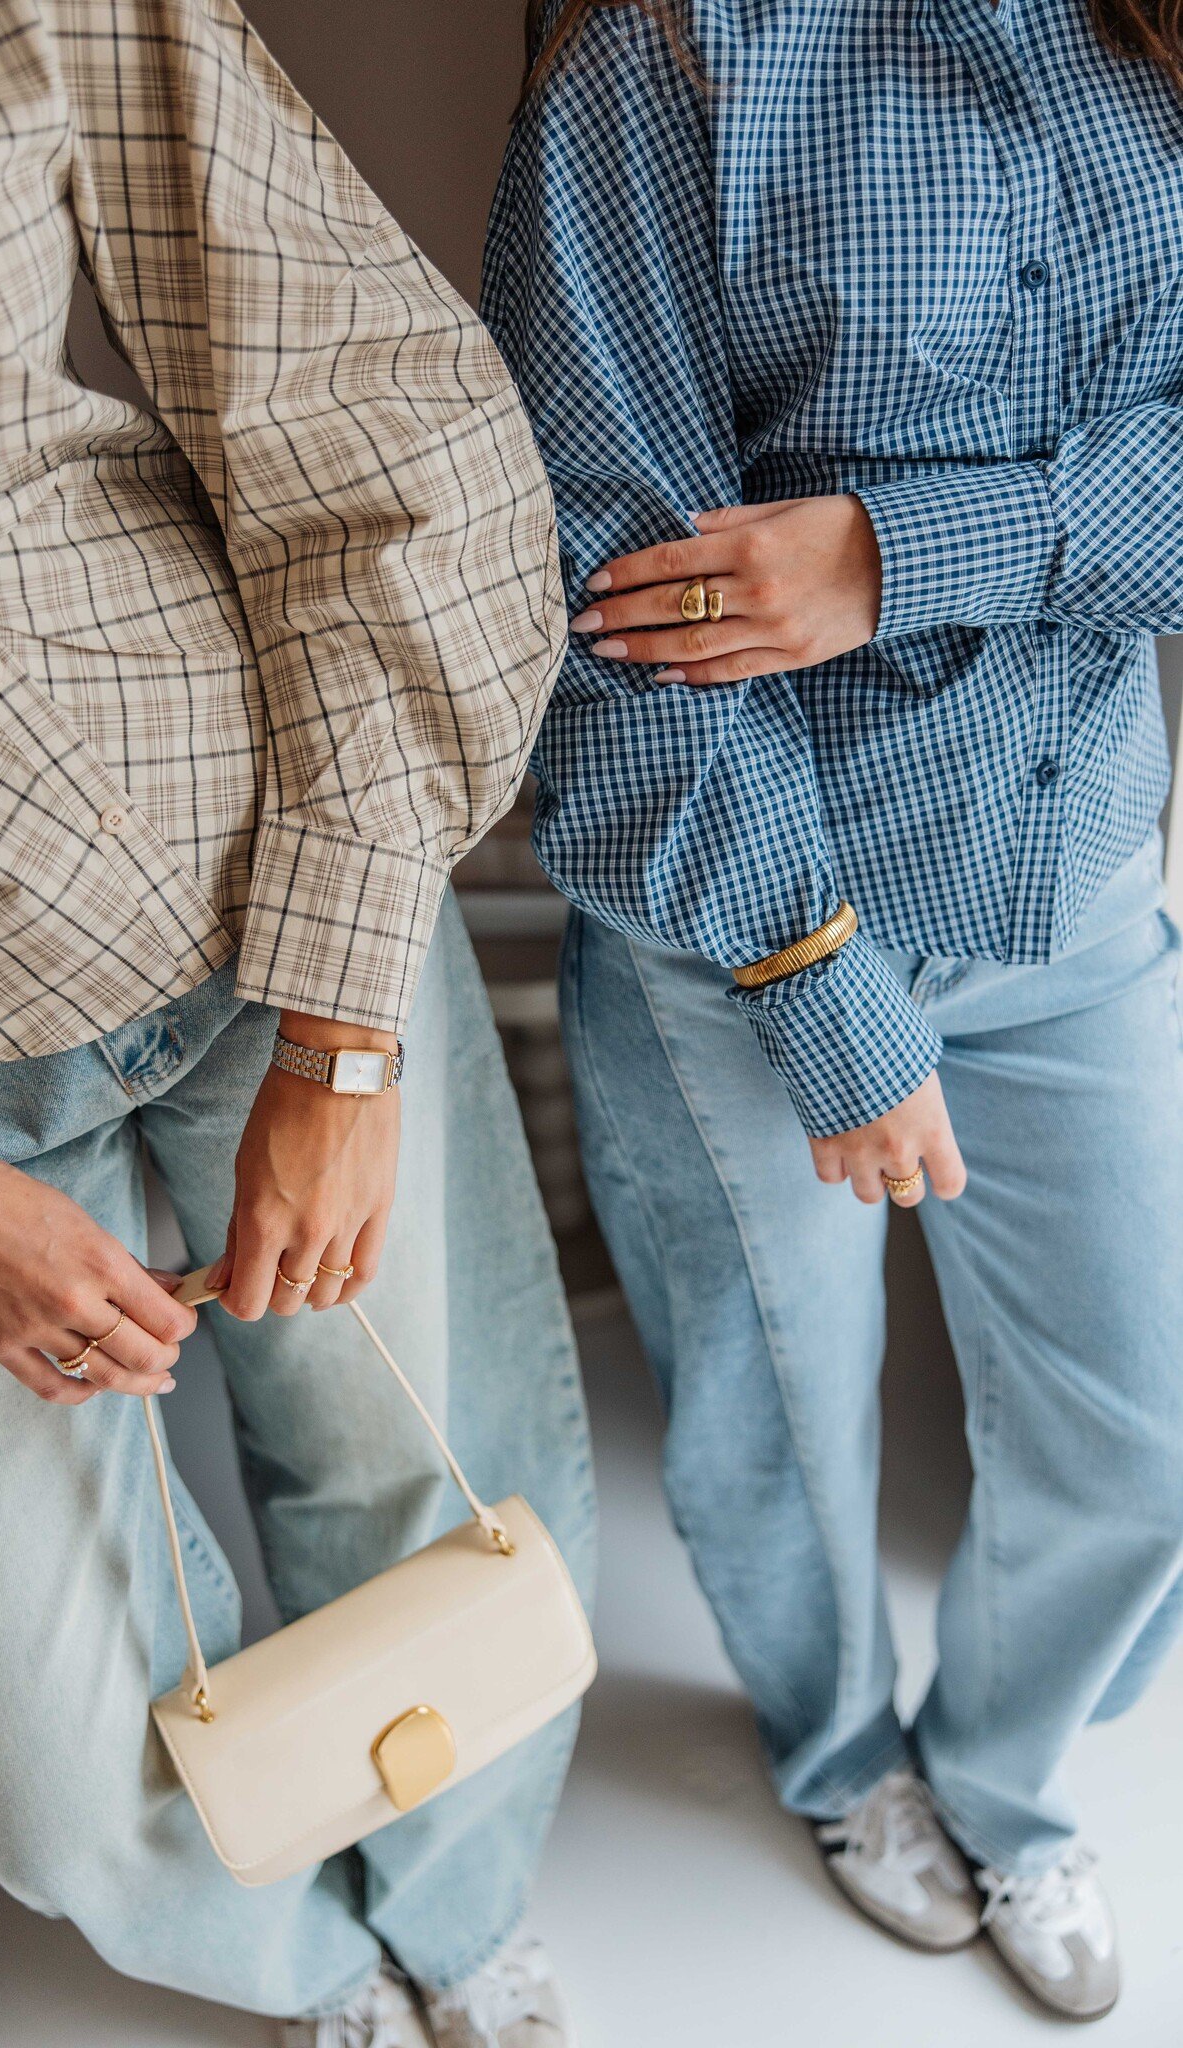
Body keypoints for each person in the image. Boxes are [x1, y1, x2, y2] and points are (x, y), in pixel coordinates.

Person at [0, 3, 595, 2043]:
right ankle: (316, 1970)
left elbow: (363, 400)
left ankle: (456, 1917)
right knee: (54, 1774)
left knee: (432, 1494)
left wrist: (343, 1032)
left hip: (262, 900)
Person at [483, 0, 1183, 2022]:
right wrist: (813, 980)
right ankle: (836, 1763)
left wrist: (898, 552)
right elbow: (607, 604)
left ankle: (1002, 1777)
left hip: (1078, 887)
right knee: (772, 1428)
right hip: (752, 944)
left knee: (1140, 1444)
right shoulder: (660, 63)